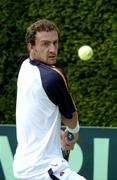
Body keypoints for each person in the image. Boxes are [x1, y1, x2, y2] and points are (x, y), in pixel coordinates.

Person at [13, 19, 86, 180]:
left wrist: (55, 133)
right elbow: (71, 119)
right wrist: (73, 132)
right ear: (31, 47)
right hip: (44, 170)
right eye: (45, 44)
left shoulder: (25, 67)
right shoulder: (53, 76)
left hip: (25, 167)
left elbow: (39, 113)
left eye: (55, 43)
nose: (52, 49)